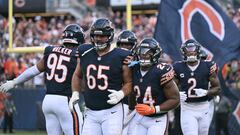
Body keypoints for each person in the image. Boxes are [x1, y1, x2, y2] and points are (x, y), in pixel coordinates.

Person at [0, 24, 85, 135]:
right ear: (79, 39)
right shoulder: (77, 55)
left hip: (48, 101)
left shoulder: (51, 51)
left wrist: (14, 82)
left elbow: (33, 70)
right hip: (66, 101)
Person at [69, 18, 133, 135]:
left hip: (112, 112)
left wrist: (121, 94)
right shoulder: (84, 51)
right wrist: (75, 93)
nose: (98, 39)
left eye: (102, 36)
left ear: (110, 36)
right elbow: (77, 75)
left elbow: (129, 82)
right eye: (95, 36)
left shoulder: (121, 55)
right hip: (90, 112)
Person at [128, 38, 180, 135]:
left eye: (148, 53)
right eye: (141, 52)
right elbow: (132, 92)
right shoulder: (133, 68)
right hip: (139, 116)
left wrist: (154, 109)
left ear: (155, 54)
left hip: (157, 119)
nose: (144, 55)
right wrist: (130, 109)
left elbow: (175, 99)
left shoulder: (161, 70)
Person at [173, 39, 221, 135]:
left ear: (198, 50)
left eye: (193, 49)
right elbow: (171, 87)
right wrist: (177, 93)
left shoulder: (208, 66)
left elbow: (218, 88)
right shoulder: (178, 67)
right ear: (183, 52)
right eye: (188, 49)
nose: (191, 52)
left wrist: (206, 92)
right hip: (187, 108)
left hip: (204, 107)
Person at [116, 30, 138, 135]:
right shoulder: (112, 57)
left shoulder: (139, 58)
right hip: (118, 100)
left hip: (136, 102)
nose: (125, 47)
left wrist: (135, 63)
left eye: (128, 44)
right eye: (122, 44)